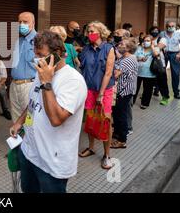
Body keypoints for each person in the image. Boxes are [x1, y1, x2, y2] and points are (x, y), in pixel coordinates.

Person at [9, 31, 87, 193]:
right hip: (29, 152)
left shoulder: (73, 81)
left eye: (40, 54)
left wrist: (47, 82)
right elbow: (33, 101)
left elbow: (56, 119)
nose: (36, 59)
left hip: (52, 161)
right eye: (35, 53)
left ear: (57, 54)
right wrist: (19, 122)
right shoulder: (43, 71)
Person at [78, 21, 116, 170]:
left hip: (104, 91)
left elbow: (108, 72)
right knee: (91, 119)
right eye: (88, 31)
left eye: (92, 31)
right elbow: (81, 67)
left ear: (100, 32)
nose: (89, 33)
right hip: (89, 90)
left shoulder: (108, 49)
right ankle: (92, 148)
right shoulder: (86, 49)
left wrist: (100, 94)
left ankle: (107, 155)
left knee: (106, 121)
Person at [10, 12, 37, 122]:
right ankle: (19, 139)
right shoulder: (18, 41)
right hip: (14, 85)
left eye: (25, 22)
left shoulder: (40, 41)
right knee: (16, 120)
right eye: (19, 22)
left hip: (29, 86)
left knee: (30, 120)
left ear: (33, 23)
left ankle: (30, 139)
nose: (21, 25)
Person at [111, 39, 138, 149]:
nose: (119, 45)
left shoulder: (129, 60)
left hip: (124, 92)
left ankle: (122, 140)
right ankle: (117, 134)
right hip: (121, 91)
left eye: (122, 44)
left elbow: (116, 74)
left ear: (128, 48)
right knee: (117, 114)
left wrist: (109, 69)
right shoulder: (123, 58)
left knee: (121, 115)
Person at [160, 21, 180, 99]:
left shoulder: (178, 34)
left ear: (175, 27)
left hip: (175, 54)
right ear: (166, 26)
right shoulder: (162, 34)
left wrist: (179, 53)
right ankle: (158, 89)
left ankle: (176, 92)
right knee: (161, 72)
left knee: (175, 74)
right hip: (164, 54)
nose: (170, 27)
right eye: (169, 26)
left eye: (172, 26)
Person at [133, 35, 158, 109]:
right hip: (137, 72)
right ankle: (132, 101)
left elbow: (156, 55)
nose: (146, 42)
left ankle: (145, 103)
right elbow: (133, 57)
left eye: (148, 41)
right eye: (145, 40)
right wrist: (139, 58)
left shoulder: (155, 49)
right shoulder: (139, 48)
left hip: (149, 73)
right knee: (135, 88)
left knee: (147, 89)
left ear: (151, 41)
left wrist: (153, 46)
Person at [150, 26, 170, 105]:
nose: (154, 31)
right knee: (149, 81)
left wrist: (151, 46)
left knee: (162, 81)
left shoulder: (162, 39)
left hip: (159, 63)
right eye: (153, 30)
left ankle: (165, 97)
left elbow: (157, 50)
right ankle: (147, 94)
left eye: (156, 30)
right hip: (148, 63)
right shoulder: (149, 39)